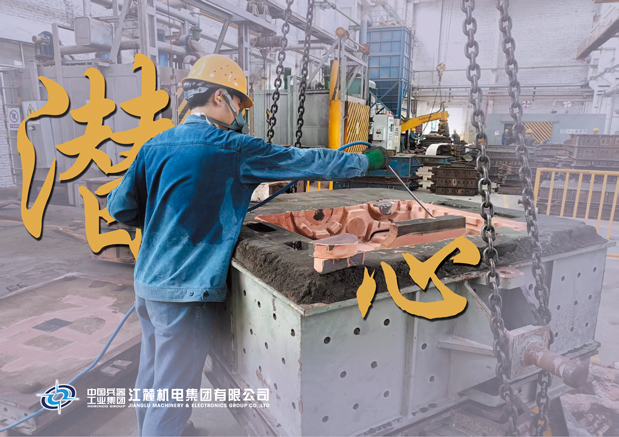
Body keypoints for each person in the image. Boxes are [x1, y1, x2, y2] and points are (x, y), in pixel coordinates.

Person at [106, 54, 390, 437]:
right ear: (219, 96)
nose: (240, 113)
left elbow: (120, 208)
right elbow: (304, 161)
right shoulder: (231, 148)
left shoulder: (154, 145)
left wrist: (167, 221)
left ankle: (165, 429)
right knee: (174, 390)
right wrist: (363, 163)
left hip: (147, 285)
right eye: (239, 103)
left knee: (154, 374)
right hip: (186, 290)